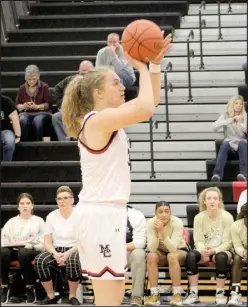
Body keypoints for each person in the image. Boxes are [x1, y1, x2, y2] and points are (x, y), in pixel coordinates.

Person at [61, 29, 172, 306]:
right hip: (99, 214)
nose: (122, 85)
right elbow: (146, 107)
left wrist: (154, 65)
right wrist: (141, 66)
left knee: (111, 297)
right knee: (109, 301)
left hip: (106, 214)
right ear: (98, 92)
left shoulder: (106, 119)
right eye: (115, 82)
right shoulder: (96, 121)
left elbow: (151, 102)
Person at [183, 187, 234, 305]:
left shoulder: (227, 217)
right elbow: (198, 240)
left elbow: (228, 243)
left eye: (215, 198)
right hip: (204, 251)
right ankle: (193, 293)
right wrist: (204, 251)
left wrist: (214, 251)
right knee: (190, 255)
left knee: (221, 257)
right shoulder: (199, 217)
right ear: (204, 201)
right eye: (209, 198)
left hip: (222, 250)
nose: (212, 201)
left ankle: (220, 294)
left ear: (219, 201)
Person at [34, 186, 81, 305]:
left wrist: (68, 253)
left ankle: (72, 296)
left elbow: (83, 241)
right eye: (59, 199)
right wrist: (55, 253)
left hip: (75, 249)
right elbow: (47, 242)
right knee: (40, 260)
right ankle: (50, 296)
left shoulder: (80, 215)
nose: (62, 201)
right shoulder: (51, 216)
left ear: (72, 200)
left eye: (65, 198)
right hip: (56, 249)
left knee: (73, 260)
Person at [1, 193, 45, 304]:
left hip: (32, 250)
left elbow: (44, 242)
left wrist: (32, 245)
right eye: (22, 203)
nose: (25, 206)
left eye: (28, 203)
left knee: (23, 253)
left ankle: (30, 286)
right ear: (18, 207)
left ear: (32, 206)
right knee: (3, 252)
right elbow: (3, 240)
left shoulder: (39, 221)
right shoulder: (11, 222)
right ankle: (4, 286)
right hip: (14, 250)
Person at [145, 201, 189, 306]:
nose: (164, 214)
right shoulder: (151, 223)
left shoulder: (177, 222)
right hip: (161, 252)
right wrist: (156, 233)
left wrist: (163, 233)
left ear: (170, 212)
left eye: (167, 211)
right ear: (155, 213)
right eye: (160, 212)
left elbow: (173, 248)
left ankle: (177, 294)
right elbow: (152, 248)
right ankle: (154, 294)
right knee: (151, 256)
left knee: (172, 256)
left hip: (179, 251)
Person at [52, 60, 94, 141]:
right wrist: (63, 105)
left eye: (88, 71)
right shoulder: (70, 80)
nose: (85, 73)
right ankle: (66, 142)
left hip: (89, 111)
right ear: (78, 71)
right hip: (72, 111)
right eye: (83, 71)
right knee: (56, 117)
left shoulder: (97, 82)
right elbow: (56, 90)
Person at [211, 95, 247, 181]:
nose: (239, 105)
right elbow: (214, 127)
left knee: (242, 142)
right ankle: (217, 175)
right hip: (230, 148)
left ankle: (244, 174)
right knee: (225, 143)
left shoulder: (245, 116)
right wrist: (231, 120)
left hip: (242, 148)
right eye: (236, 103)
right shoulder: (225, 115)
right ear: (232, 104)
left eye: (241, 104)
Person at [16, 64, 52, 141]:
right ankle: (23, 142)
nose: (31, 81)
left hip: (42, 113)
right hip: (26, 113)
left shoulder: (44, 86)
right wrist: (23, 106)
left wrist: (37, 107)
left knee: (38, 121)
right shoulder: (22, 88)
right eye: (29, 79)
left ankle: (38, 143)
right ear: (25, 78)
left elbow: (48, 104)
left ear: (38, 78)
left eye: (34, 79)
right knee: (23, 120)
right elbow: (17, 104)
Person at [126, 206, 146, 305]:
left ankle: (137, 296)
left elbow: (141, 241)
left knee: (139, 254)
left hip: (128, 251)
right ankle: (104, 294)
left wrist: (120, 247)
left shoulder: (135, 215)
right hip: (107, 250)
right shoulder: (101, 214)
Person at [228, 203, 247, 306]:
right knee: (237, 258)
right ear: (244, 216)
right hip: (243, 253)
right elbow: (237, 246)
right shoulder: (236, 225)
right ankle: (236, 294)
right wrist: (244, 253)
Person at [1, 95, 21, 161]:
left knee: (9, 143)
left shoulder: (5, 101)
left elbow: (15, 118)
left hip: (4, 130)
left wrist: (18, 136)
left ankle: (6, 169)